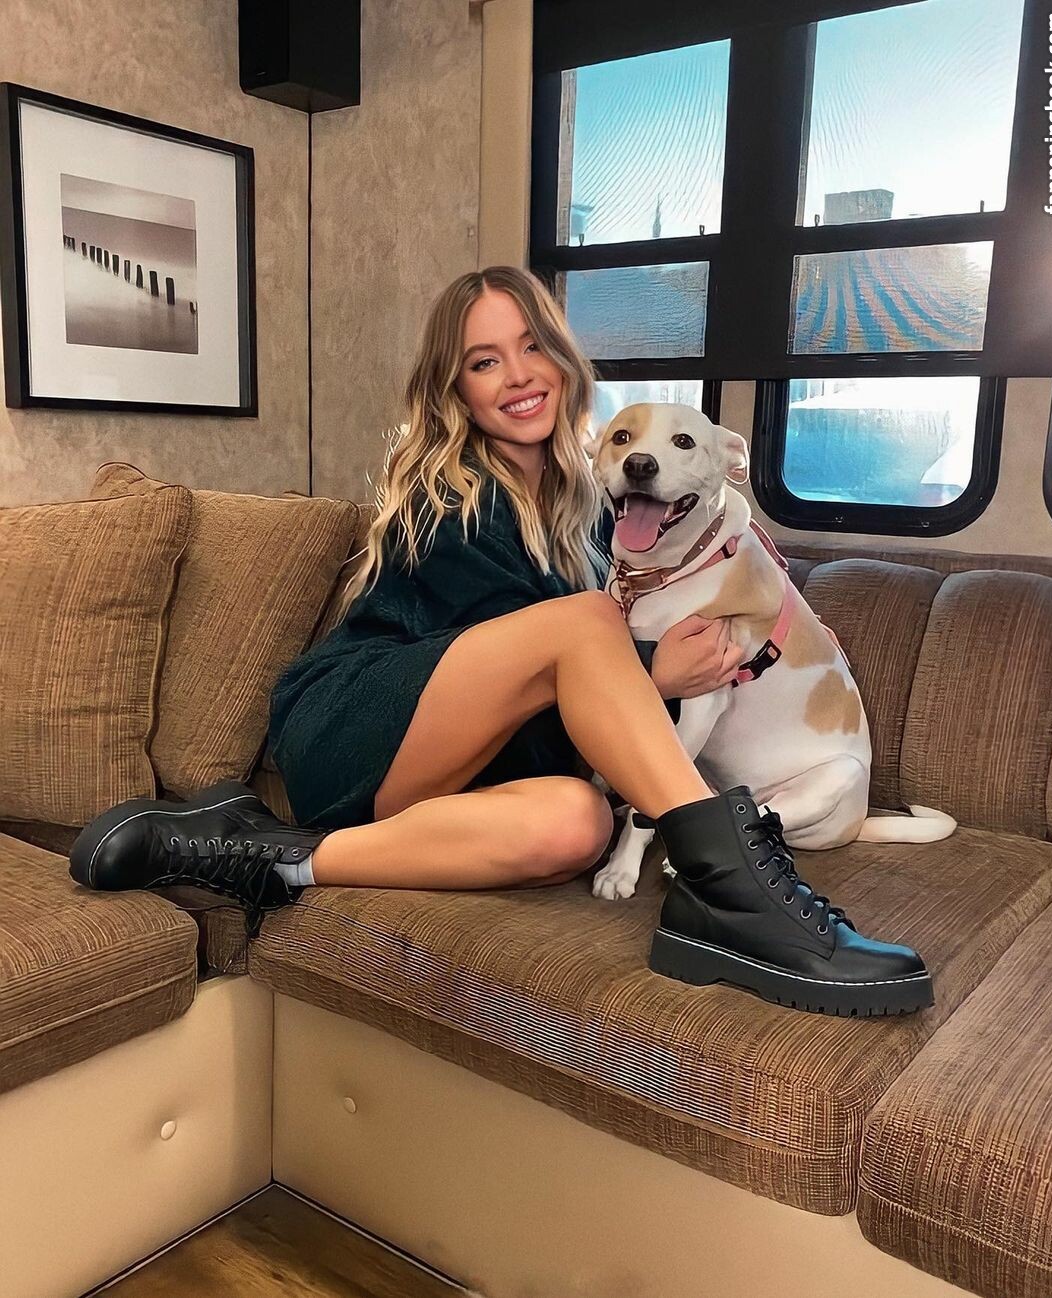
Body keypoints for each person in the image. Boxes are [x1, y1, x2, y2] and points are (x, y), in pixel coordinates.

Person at [68, 266, 931, 1017]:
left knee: (576, 823)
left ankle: (259, 853)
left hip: (450, 780)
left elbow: (591, 671)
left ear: (562, 359)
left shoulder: (598, 506)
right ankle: (733, 888)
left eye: (531, 348)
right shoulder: (455, 498)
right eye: (484, 362)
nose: (517, 376)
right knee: (589, 621)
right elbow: (542, 669)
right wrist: (652, 672)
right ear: (457, 389)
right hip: (358, 725)